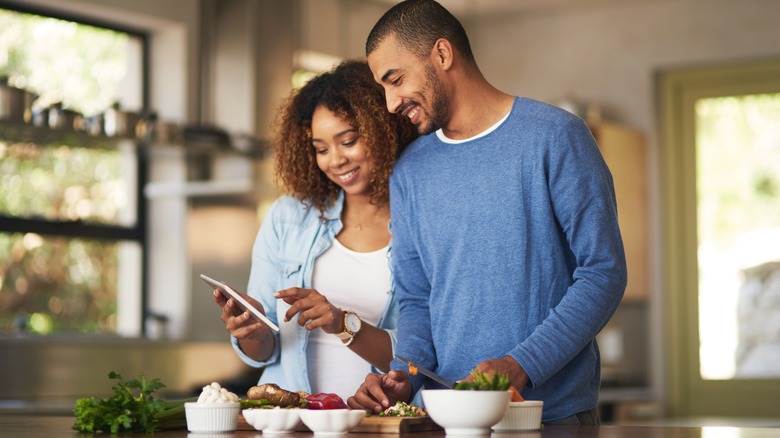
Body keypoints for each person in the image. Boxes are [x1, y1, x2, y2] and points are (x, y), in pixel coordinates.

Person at [347, 0, 627, 425]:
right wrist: (405, 374)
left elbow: (602, 272)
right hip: (446, 419)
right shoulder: (409, 173)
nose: (389, 103)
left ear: (442, 55)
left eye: (396, 79)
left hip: (550, 417)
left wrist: (521, 365)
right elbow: (417, 300)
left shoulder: (556, 137)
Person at [211, 59, 418, 401]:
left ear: (385, 131)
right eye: (321, 148)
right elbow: (266, 349)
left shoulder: (422, 223)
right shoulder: (288, 218)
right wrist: (251, 329)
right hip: (291, 422)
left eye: (348, 141)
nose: (334, 160)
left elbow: (418, 360)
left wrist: (342, 323)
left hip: (375, 422)